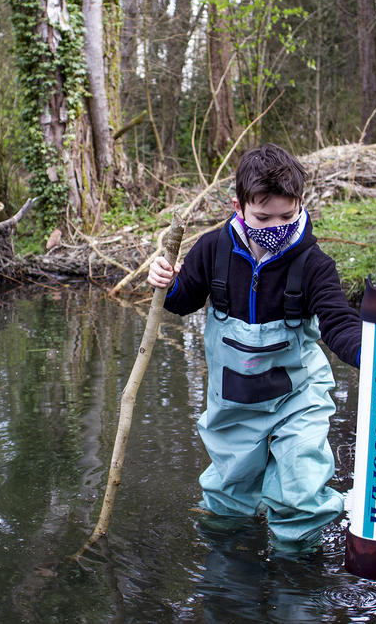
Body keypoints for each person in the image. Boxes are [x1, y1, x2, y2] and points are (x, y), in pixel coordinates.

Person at [147, 143, 361, 554]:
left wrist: (370, 355)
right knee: (227, 503)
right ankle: (230, 586)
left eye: (287, 215)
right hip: (233, 403)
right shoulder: (212, 249)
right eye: (263, 217)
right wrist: (164, 281)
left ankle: (298, 579)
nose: (275, 226)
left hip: (298, 397)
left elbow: (338, 322)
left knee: (300, 494)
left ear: (300, 204)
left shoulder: (315, 264)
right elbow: (181, 300)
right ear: (239, 205)